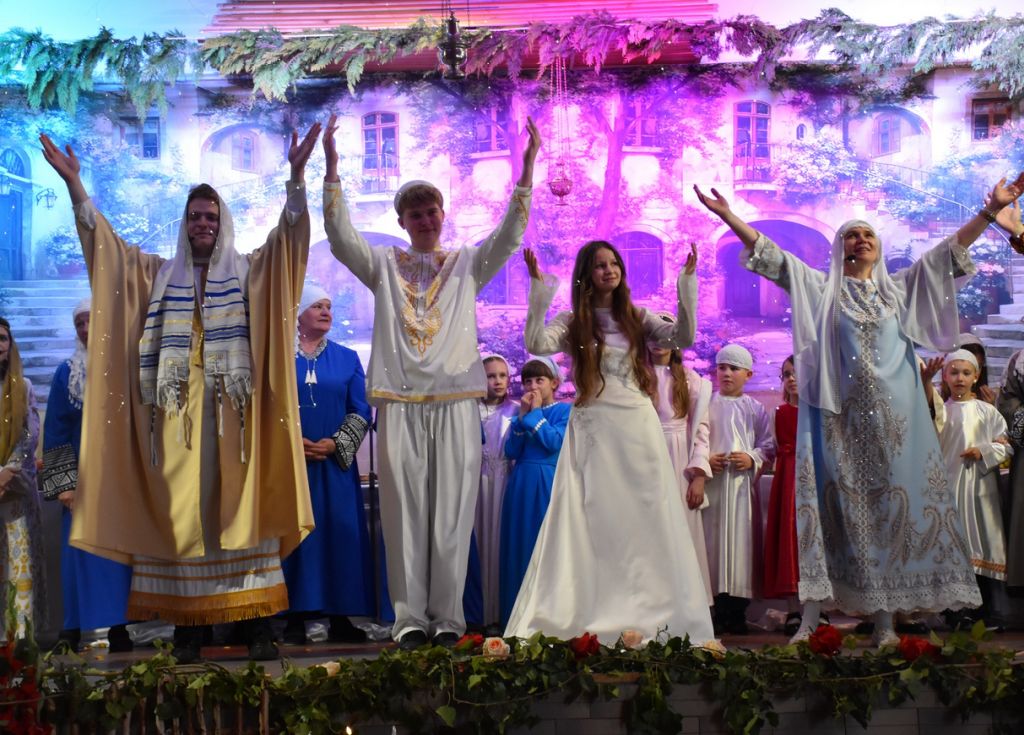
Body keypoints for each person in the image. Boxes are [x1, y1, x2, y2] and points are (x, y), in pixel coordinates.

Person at [694, 173, 1024, 646]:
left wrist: (990, 212)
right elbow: (775, 259)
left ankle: (886, 622)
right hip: (837, 421)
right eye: (851, 234)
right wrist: (729, 216)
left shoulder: (898, 289)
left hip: (895, 425)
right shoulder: (822, 289)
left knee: (890, 516)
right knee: (828, 513)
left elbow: (948, 254)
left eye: (868, 233)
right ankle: (811, 619)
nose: (861, 239)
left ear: (878, 247)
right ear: (840, 248)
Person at [39, 122, 323, 662]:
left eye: (211, 217)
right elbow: (107, 251)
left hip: (237, 419)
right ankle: (187, 629)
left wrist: (296, 177)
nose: (203, 224)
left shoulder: (249, 273)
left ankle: (257, 625)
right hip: (175, 424)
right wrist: (76, 186)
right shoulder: (156, 276)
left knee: (242, 516)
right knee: (182, 518)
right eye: (195, 216)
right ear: (184, 223)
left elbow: (289, 242)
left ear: (223, 223)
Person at [323, 115, 540, 649]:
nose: (424, 220)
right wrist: (331, 169)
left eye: (430, 211)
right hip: (399, 401)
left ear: (443, 214)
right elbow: (341, 238)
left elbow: (509, 235)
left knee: (452, 514)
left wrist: (528, 167)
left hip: (456, 399)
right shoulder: (382, 264)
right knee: (403, 514)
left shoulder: (467, 263)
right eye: (414, 214)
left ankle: (448, 619)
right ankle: (409, 620)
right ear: (402, 221)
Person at [503, 242, 715, 645]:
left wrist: (686, 283)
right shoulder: (573, 322)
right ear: (586, 273)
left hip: (637, 424)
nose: (609, 270)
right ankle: (595, 611)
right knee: (595, 517)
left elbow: (683, 336)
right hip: (594, 425)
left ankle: (652, 615)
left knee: (646, 517)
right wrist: (537, 289)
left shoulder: (637, 316)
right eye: (600, 265)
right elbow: (537, 343)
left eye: (614, 263)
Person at [282, 283, 373, 645]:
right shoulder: (279, 357)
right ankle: (292, 616)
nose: (325, 312)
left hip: (334, 467)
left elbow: (360, 410)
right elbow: (267, 406)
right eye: (317, 306)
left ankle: (340, 616)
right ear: (298, 313)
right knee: (295, 537)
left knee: (340, 535)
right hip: (291, 466)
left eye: (328, 307)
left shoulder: (347, 358)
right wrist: (290, 443)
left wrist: (336, 443)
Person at [40, 298, 132, 652]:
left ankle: (119, 627)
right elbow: (56, 430)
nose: (84, 329)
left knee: (118, 557)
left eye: (90, 321)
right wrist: (64, 486)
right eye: (79, 323)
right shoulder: (67, 373)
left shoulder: (124, 367)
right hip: (80, 484)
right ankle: (72, 628)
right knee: (76, 555)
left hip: (119, 480)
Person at [703, 344, 775, 635]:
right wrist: (706, 460)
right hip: (713, 486)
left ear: (748, 374)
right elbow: (696, 439)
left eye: (734, 368)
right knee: (711, 544)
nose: (727, 373)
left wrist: (751, 457)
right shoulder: (705, 404)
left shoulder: (754, 408)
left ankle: (737, 611)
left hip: (741, 490)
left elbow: (767, 445)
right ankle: (713, 610)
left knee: (740, 546)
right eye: (722, 367)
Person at [937, 349, 1010, 628]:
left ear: (976, 376)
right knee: (954, 542)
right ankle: (956, 611)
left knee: (982, 540)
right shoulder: (941, 412)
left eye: (966, 373)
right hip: (949, 487)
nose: (960, 378)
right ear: (945, 377)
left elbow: (1005, 446)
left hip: (980, 489)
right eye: (954, 372)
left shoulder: (987, 411)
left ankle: (984, 609)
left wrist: (983, 451)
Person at [498, 356, 571, 625]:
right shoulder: (523, 412)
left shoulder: (565, 411)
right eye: (528, 381)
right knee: (518, 546)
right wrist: (520, 419)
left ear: (554, 383)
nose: (533, 386)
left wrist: (535, 414)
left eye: (539, 380)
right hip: (520, 483)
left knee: (542, 546)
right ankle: (514, 617)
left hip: (546, 481)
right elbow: (511, 451)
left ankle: (544, 618)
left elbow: (554, 443)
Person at [650, 319, 714, 606]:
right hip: (646, 457)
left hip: (678, 459)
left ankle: (687, 605)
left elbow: (701, 429)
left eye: (665, 336)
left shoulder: (690, 380)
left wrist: (698, 475)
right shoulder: (635, 377)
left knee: (681, 532)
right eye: (652, 335)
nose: (658, 342)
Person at [0, 317, 44, 639]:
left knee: (19, 567)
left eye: (2, 338)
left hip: (14, 491)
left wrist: (6, 473)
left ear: (10, 344)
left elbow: (30, 434)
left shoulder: (24, 387)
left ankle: (18, 646)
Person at [476, 353, 520, 629]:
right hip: (477, 483)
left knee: (500, 542)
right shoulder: (471, 410)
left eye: (502, 375)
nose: (498, 381)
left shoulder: (515, 410)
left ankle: (499, 611)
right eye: (491, 376)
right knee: (478, 539)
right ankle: (476, 611)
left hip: (505, 481)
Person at [762, 355, 801, 635]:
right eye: (786, 374)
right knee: (789, 539)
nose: (791, 378)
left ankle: (818, 608)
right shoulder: (780, 412)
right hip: (787, 481)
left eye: (797, 373)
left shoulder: (819, 412)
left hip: (811, 477)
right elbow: (772, 447)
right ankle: (794, 609)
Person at [941, 334, 994, 404]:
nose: (960, 378)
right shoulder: (937, 398)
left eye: (978, 366)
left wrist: (989, 405)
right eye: (955, 372)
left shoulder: (987, 398)